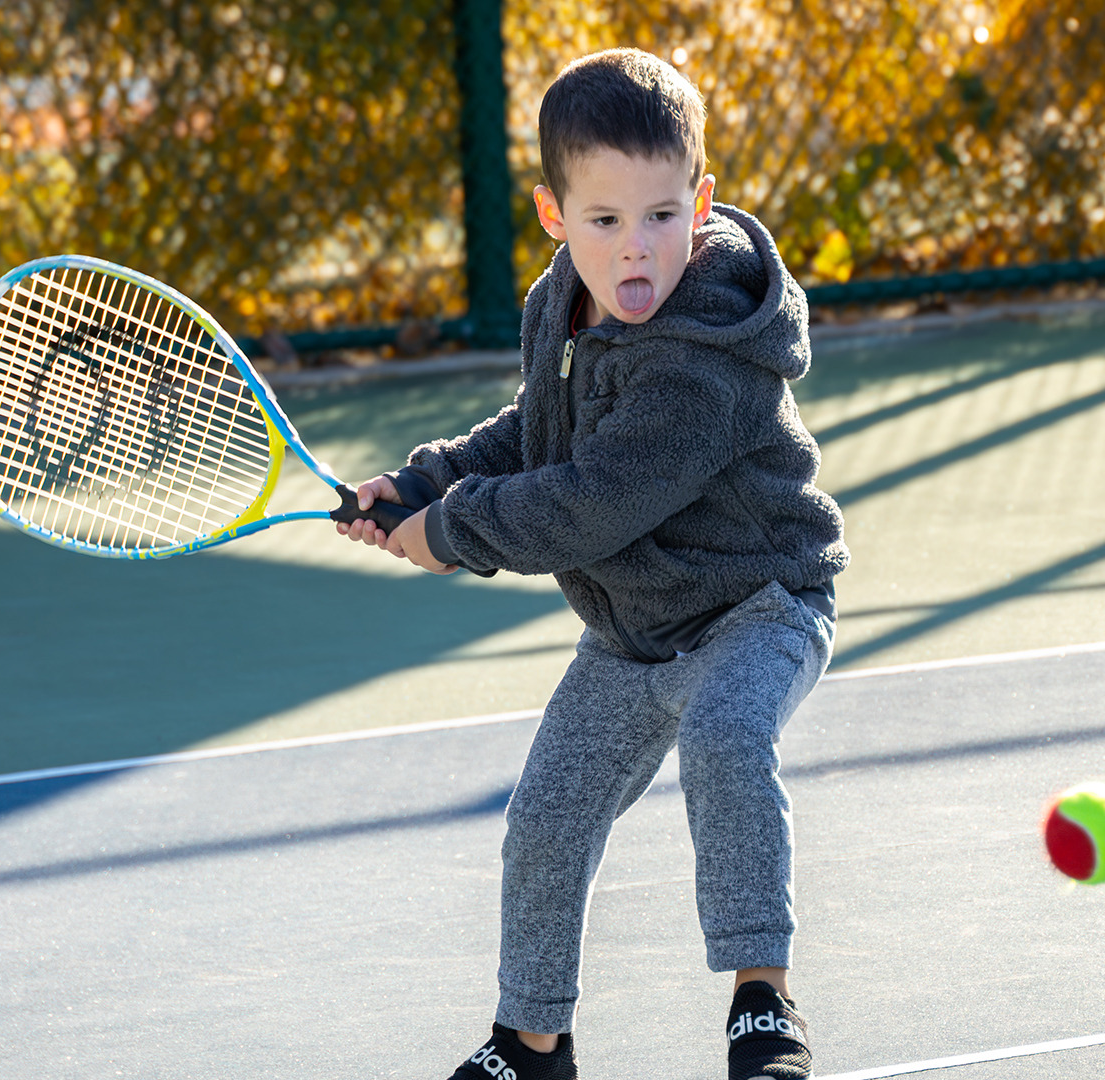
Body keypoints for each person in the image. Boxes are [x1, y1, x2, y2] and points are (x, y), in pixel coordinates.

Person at [338, 47, 847, 1080]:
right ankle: (530, 1043)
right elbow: (541, 429)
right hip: (631, 633)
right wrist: (428, 483)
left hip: (758, 605)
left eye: (662, 216)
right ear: (553, 216)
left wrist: (456, 533)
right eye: (605, 222)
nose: (637, 250)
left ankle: (763, 1001)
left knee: (724, 736)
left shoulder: (701, 358)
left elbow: (596, 500)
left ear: (701, 204)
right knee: (545, 819)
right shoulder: (561, 305)